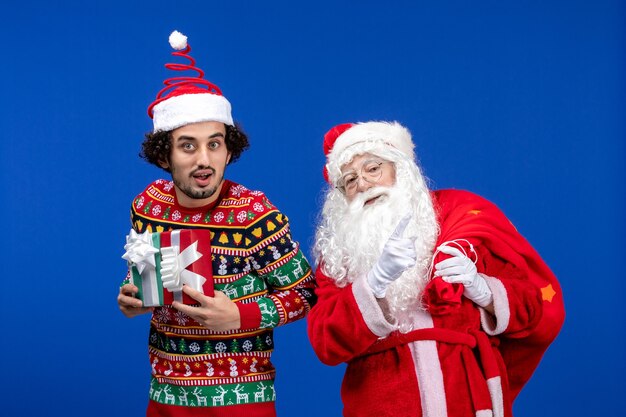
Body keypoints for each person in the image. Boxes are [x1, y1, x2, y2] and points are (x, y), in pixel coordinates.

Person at [117, 31, 316, 417]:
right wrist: (134, 298)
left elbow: (305, 294)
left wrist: (240, 316)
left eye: (215, 143)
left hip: (243, 397)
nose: (204, 159)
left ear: (229, 149)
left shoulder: (256, 214)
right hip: (166, 392)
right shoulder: (147, 206)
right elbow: (144, 281)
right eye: (188, 145)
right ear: (164, 156)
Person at [307, 121, 565, 417]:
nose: (362, 184)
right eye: (350, 180)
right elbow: (324, 342)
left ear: (398, 169)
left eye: (373, 168)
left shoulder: (460, 223)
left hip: (467, 396)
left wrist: (483, 290)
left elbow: (531, 306)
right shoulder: (338, 257)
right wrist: (374, 282)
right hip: (382, 402)